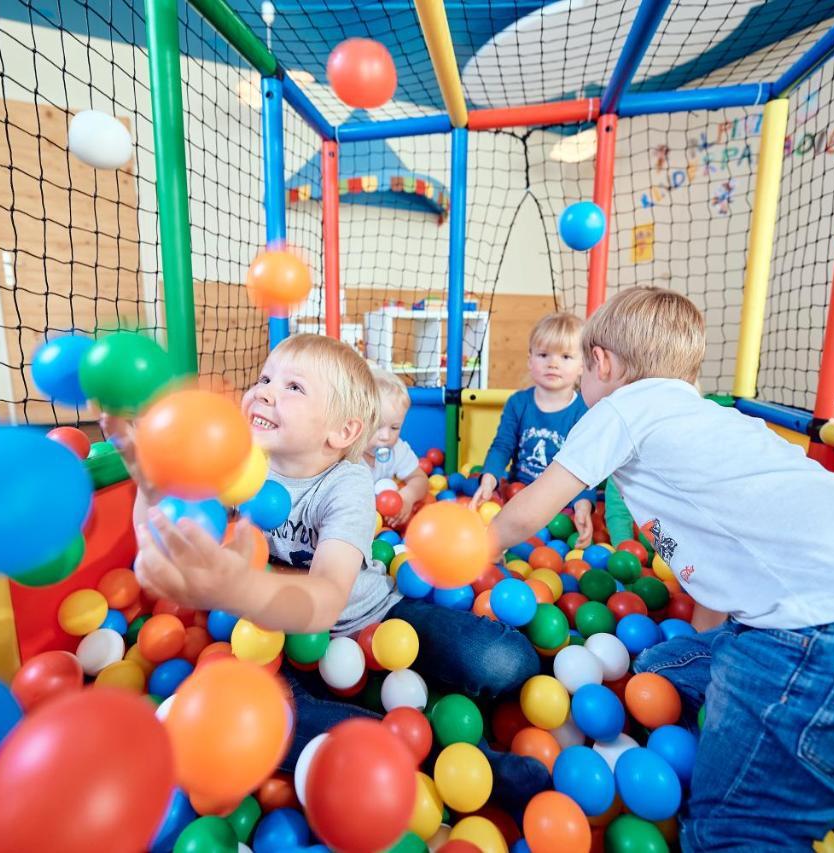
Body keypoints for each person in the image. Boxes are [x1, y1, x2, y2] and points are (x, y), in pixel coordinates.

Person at [488, 287, 834, 849]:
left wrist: (475, 552)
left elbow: (527, 513)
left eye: (581, 379)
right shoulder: (723, 423)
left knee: (725, 833)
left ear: (600, 363)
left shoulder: (625, 406)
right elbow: (718, 571)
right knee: (659, 668)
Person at [113, 334, 548, 810]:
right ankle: (441, 760)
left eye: (293, 387)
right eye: (263, 379)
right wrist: (152, 483)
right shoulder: (234, 467)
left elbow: (327, 599)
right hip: (277, 642)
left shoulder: (347, 484)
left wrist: (236, 588)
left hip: (375, 615)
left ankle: (411, 733)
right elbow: (158, 536)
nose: (264, 391)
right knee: (265, 720)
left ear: (341, 432)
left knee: (507, 663)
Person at [469, 312, 595, 539]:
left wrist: (583, 505)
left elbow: (585, 465)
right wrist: (489, 478)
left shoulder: (583, 412)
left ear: (582, 366)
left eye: (566, 357)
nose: (553, 363)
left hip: (560, 502)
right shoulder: (518, 403)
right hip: (518, 495)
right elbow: (502, 446)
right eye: (544, 354)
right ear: (530, 360)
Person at [364, 366, 429, 528]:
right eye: (377, 426)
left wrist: (407, 496)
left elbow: (420, 479)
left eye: (394, 428)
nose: (386, 436)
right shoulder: (346, 453)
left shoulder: (397, 450)